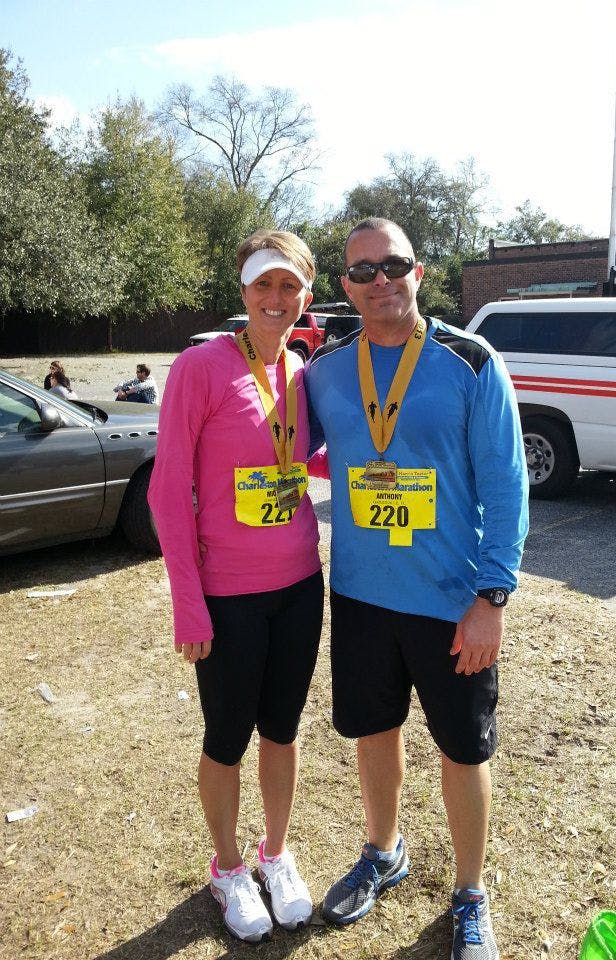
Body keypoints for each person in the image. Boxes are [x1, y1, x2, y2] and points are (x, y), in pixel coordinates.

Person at [305, 217, 529, 960]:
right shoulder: (329, 369)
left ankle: (469, 893)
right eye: (363, 272)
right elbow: (275, 441)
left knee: (463, 749)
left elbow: (506, 482)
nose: (379, 281)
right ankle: (384, 851)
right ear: (345, 286)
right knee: (375, 732)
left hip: (450, 600)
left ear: (418, 271)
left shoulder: (469, 359)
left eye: (392, 265)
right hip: (364, 595)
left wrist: (492, 598)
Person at [148, 231, 325, 943]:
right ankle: (227, 868)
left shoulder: (304, 369)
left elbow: (305, 457)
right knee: (227, 737)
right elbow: (167, 491)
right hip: (227, 592)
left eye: (290, 286)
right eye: (263, 285)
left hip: (300, 582)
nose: (276, 298)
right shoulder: (201, 367)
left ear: (306, 296)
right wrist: (187, 602)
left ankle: (274, 855)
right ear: (243, 292)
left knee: (281, 730)